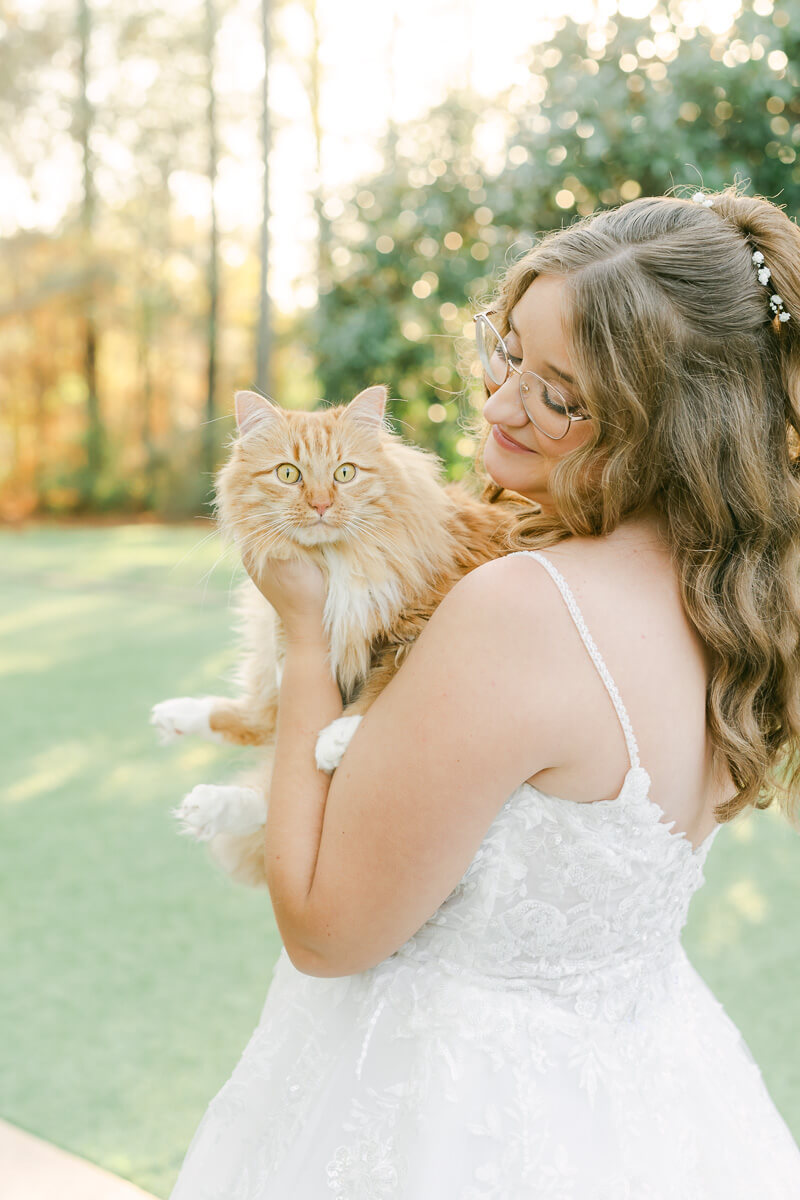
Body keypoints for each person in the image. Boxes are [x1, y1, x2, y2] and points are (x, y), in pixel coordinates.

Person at [169, 186, 800, 1198]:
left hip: (446, 1120)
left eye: (558, 394)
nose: (502, 404)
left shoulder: (523, 609)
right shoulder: (737, 601)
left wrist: (300, 637)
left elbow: (326, 930)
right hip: (649, 1106)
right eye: (507, 353)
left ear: (672, 421)